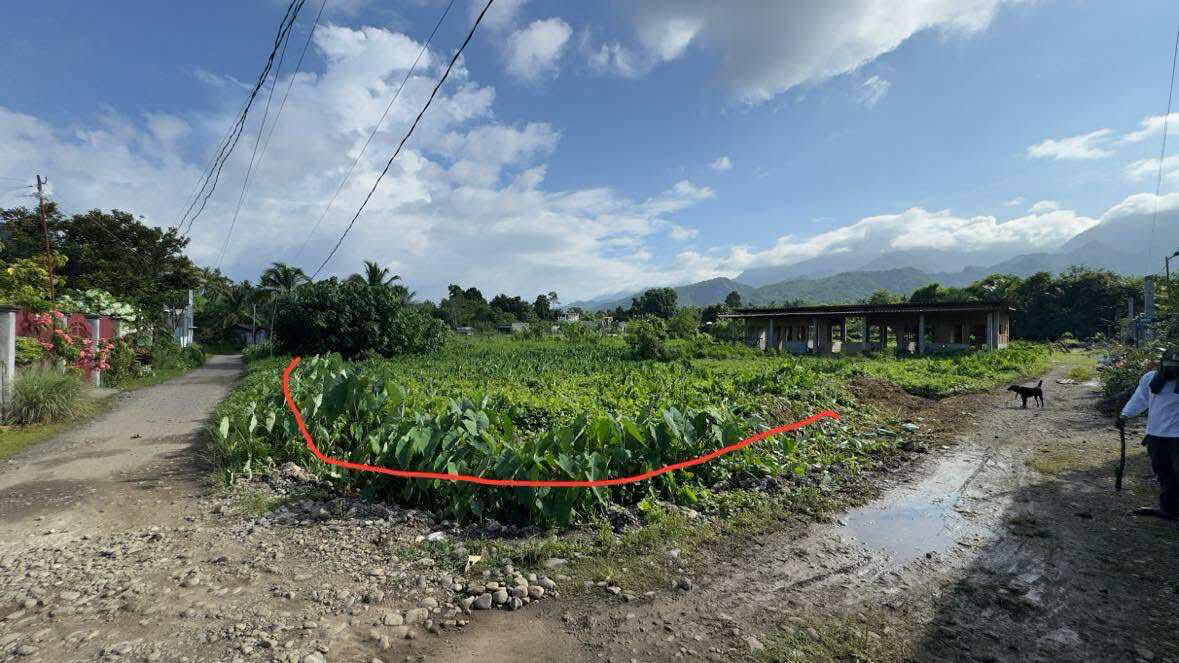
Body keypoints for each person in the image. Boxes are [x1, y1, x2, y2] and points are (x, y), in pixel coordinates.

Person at [1118, 348, 1179, 519]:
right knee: (1163, 471)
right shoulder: (1150, 379)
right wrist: (1125, 415)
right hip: (1156, 435)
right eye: (1170, 366)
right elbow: (1140, 399)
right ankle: (1169, 509)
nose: (1173, 370)